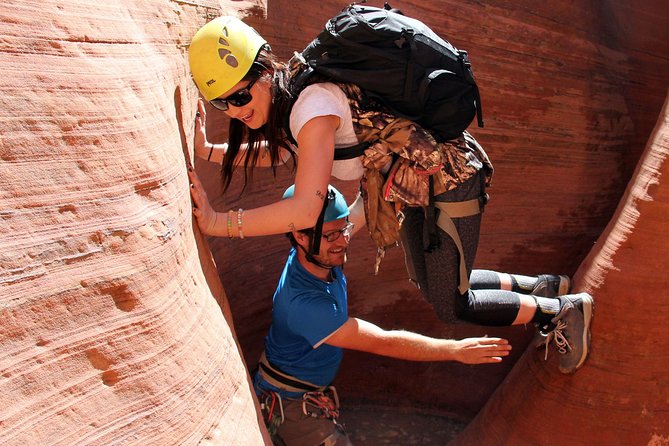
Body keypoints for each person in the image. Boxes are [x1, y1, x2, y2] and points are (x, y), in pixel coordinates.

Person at [186, 16, 594, 374]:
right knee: (429, 280)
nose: (235, 110)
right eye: (221, 103)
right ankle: (542, 286)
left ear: (264, 71)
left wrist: (222, 223)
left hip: (450, 177)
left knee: (453, 304)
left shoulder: (310, 106)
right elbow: (284, 150)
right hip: (417, 185)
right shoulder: (294, 96)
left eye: (239, 96)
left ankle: (560, 312)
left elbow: (306, 208)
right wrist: (209, 151)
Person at [253, 184, 512, 445]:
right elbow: (382, 340)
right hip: (290, 403)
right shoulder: (304, 305)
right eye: (332, 235)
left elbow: (358, 210)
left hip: (297, 387)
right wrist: (455, 350)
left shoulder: (317, 251)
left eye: (344, 230)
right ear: (299, 236)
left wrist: (381, 178)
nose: (343, 241)